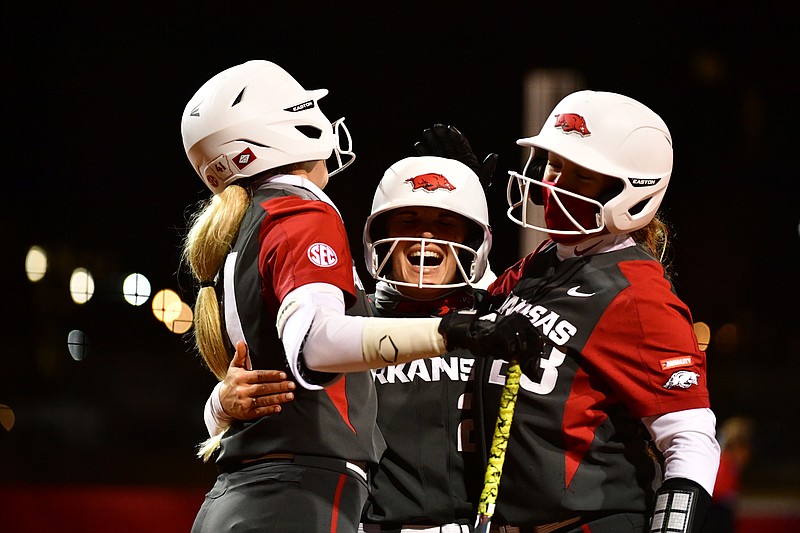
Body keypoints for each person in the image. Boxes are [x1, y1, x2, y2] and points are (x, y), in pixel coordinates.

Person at [180, 60, 522, 533]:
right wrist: (221, 403)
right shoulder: (303, 221)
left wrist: (462, 195)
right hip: (303, 496)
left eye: (445, 222)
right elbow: (319, 342)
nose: (426, 239)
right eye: (409, 221)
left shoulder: (249, 226)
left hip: (261, 494)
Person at [456, 90, 721, 532]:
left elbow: (691, 440)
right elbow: (483, 311)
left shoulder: (637, 297)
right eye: (553, 166)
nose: (550, 184)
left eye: (579, 177)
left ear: (628, 192)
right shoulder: (546, 259)